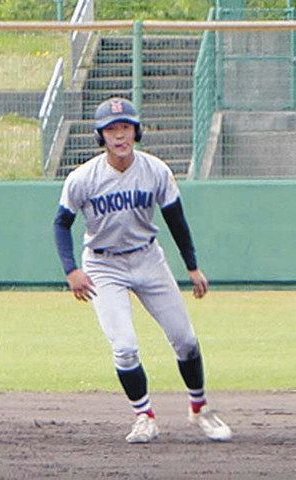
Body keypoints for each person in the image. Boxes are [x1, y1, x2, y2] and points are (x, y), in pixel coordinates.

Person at [53, 96, 233, 445]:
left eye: (125, 128)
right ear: (100, 136)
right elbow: (61, 224)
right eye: (111, 129)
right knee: (124, 347)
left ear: (136, 131)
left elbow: (176, 220)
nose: (119, 136)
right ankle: (144, 416)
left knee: (185, 340)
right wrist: (71, 270)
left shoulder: (155, 170)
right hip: (104, 265)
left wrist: (192, 267)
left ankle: (200, 409)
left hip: (148, 259)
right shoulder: (83, 178)